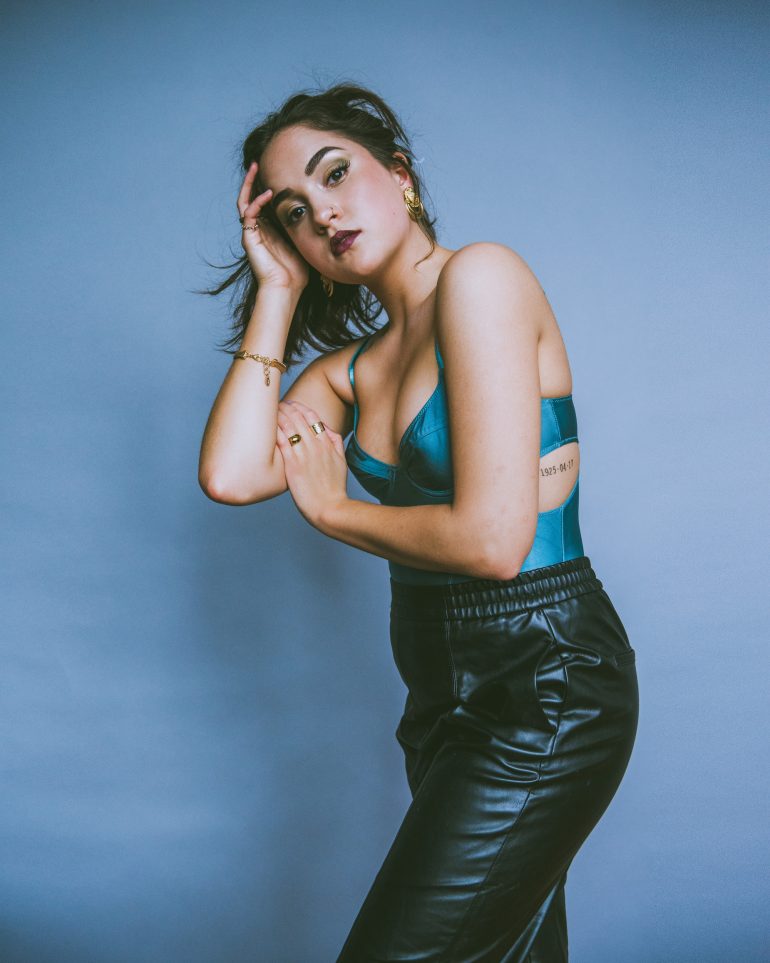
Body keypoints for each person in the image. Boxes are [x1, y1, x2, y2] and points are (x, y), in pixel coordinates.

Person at [198, 82, 639, 962]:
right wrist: (277, 289)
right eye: (294, 213)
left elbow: (493, 540)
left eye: (334, 174)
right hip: (438, 692)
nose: (323, 214)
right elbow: (232, 473)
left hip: (547, 679)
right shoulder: (348, 373)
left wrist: (337, 509)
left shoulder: (483, 278)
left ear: (399, 173)